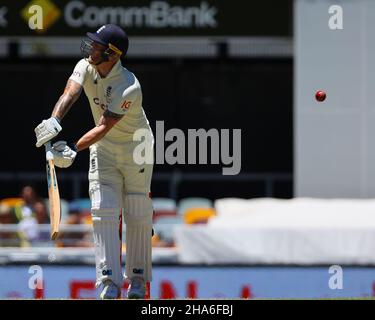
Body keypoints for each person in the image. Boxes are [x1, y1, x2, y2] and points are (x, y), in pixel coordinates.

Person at [34, 24, 154, 299]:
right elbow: (71, 92)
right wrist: (55, 120)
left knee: (137, 211)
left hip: (137, 149)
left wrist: (73, 148)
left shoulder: (129, 86)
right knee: (103, 210)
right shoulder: (86, 66)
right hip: (104, 150)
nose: (91, 49)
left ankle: (137, 280)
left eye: (98, 46)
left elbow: (103, 126)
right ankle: (108, 283)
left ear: (112, 54)